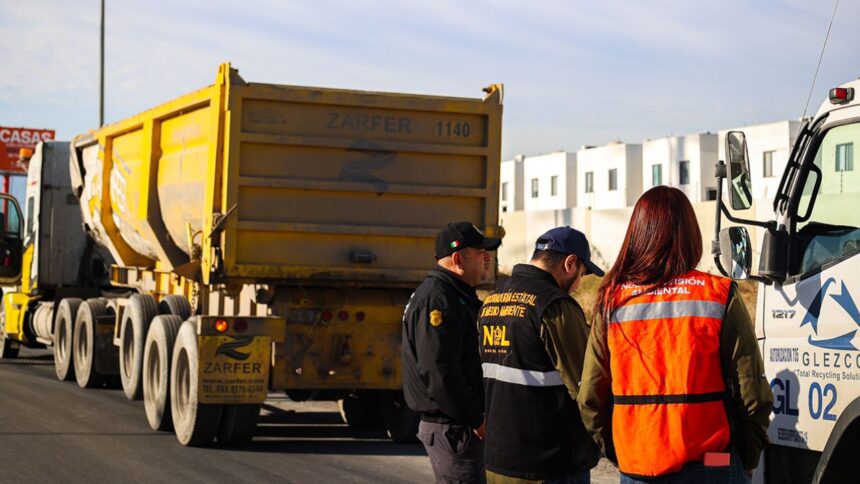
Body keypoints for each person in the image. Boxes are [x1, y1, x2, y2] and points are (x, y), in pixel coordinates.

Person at [577, 186, 773, 483]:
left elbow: (590, 397)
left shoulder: (612, 300)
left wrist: (622, 452)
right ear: (690, 234)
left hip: (638, 465)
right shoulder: (718, 294)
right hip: (712, 463)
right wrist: (745, 457)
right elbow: (753, 394)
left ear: (637, 234)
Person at [479, 226, 602, 483]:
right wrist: (607, 441)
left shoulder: (492, 301)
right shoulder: (554, 305)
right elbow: (587, 386)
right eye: (581, 274)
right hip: (549, 465)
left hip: (497, 461)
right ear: (570, 263)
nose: (579, 284)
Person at [402, 221, 501, 483]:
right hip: (455, 428)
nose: (487, 260)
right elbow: (440, 372)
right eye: (481, 253)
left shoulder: (454, 295)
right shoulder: (438, 300)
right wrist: (476, 419)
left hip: (459, 426)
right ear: (458, 258)